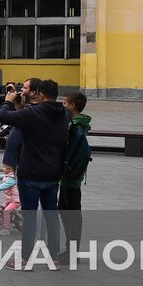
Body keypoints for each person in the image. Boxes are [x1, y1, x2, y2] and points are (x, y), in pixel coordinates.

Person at [0, 78, 69, 268]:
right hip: (53, 174)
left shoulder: (33, 113)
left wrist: (8, 100)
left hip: (31, 174)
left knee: (29, 218)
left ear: (40, 94)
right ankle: (54, 257)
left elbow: (2, 116)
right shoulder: (64, 114)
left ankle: (25, 259)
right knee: (51, 216)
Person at [59, 91, 91, 255]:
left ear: (72, 105)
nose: (63, 105)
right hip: (71, 175)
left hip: (70, 175)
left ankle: (72, 250)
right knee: (66, 210)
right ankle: (70, 248)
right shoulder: (75, 123)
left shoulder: (75, 125)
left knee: (71, 211)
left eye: (65, 102)